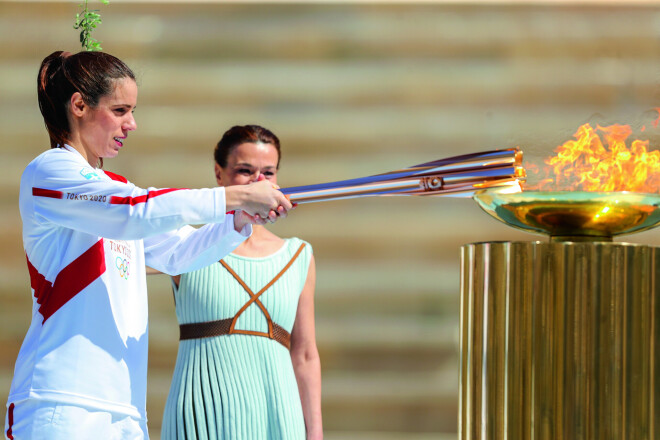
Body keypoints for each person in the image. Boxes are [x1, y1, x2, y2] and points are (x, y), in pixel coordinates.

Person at [4, 51, 292, 440]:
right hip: (62, 403)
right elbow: (135, 211)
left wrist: (238, 222)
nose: (132, 124)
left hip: (124, 407)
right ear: (79, 105)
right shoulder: (49, 172)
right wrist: (237, 198)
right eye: (121, 110)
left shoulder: (116, 190)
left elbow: (181, 252)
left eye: (133, 111)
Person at [161, 125, 322, 440]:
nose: (259, 183)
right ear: (219, 175)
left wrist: (314, 433)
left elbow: (304, 354)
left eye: (268, 173)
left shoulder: (298, 255)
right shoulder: (187, 246)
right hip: (203, 411)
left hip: (277, 410)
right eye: (245, 171)